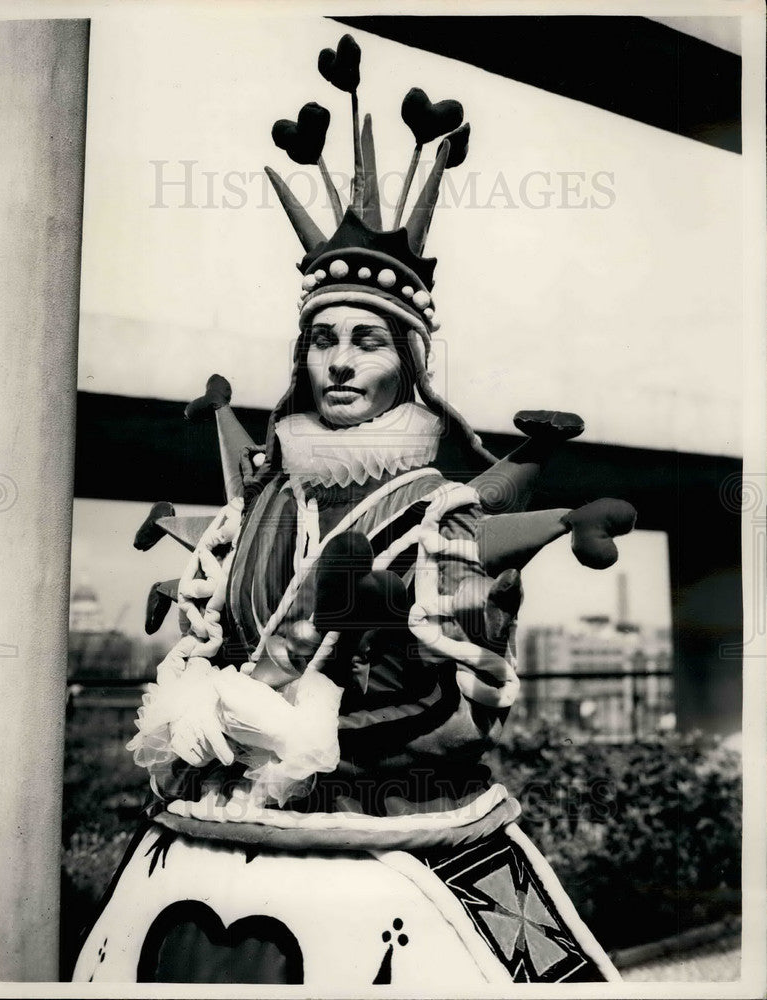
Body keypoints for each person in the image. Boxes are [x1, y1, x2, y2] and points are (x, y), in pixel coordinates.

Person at [73, 35, 634, 986]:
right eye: (324, 340)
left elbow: (459, 694)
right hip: (213, 824)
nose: (339, 362)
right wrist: (206, 695)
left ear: (404, 364)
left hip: (387, 830)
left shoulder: (440, 509)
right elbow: (209, 638)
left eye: (367, 343)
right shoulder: (261, 494)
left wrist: (336, 688)